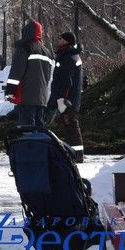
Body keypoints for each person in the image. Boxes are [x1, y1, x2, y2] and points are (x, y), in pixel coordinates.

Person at [5, 19, 53, 128]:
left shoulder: (24, 48)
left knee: (26, 127)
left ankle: (28, 144)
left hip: (26, 95)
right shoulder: (47, 52)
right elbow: (47, 76)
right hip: (42, 98)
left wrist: (10, 91)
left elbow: (16, 73)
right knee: (39, 127)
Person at [49, 31, 85, 160]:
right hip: (70, 98)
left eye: (60, 38)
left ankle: (76, 154)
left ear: (66, 41)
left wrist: (61, 99)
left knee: (70, 124)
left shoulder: (67, 57)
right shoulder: (71, 56)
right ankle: (74, 152)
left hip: (66, 99)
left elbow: (65, 81)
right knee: (69, 124)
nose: (58, 40)